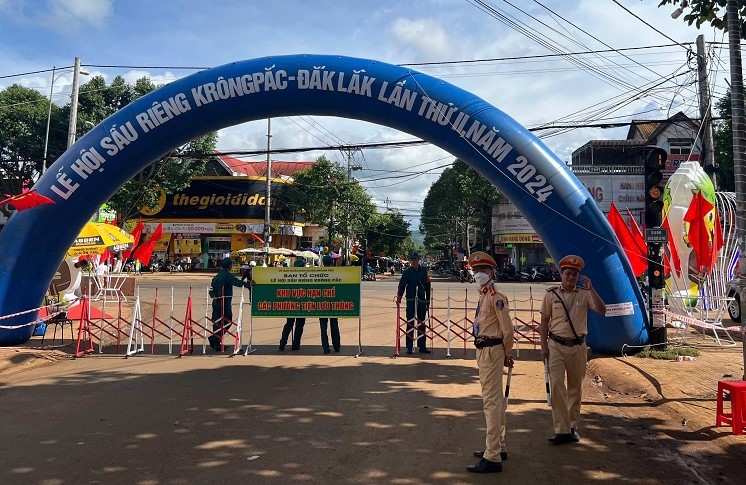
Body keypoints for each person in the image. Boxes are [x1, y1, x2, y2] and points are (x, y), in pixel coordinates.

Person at [539, 255, 606, 445]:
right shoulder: (551, 295)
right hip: (556, 346)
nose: (571, 277)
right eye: (568, 273)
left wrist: (592, 289)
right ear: (561, 273)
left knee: (575, 388)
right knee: (557, 385)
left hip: (578, 347)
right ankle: (561, 430)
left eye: (575, 274)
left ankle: (572, 426)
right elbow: (544, 322)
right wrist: (543, 346)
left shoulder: (585, 294)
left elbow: (603, 310)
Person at [466, 251, 514, 474]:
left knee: (491, 403)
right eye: (476, 270)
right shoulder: (483, 295)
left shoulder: (496, 297)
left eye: (483, 270)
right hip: (485, 350)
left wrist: (506, 353)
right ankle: (498, 446)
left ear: (492, 273)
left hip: (492, 350)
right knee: (495, 401)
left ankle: (492, 456)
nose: (478, 274)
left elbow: (508, 330)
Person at [208, 257, 251, 352]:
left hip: (215, 303)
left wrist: (214, 296)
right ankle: (215, 339)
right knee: (228, 321)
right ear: (230, 266)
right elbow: (237, 282)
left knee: (216, 323)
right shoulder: (227, 276)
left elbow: (211, 290)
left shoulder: (216, 277)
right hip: (224, 303)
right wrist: (249, 285)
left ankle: (216, 341)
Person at [396, 251, 431, 354]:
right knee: (410, 322)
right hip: (411, 299)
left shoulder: (424, 271)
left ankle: (422, 346)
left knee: (421, 322)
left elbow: (428, 285)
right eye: (411, 259)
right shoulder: (407, 272)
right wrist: (399, 297)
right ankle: (409, 347)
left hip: (421, 299)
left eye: (415, 259)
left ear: (418, 260)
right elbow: (402, 285)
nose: (413, 261)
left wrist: (428, 299)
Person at [279, 256, 308, 351]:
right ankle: (295, 344)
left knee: (289, 324)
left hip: (290, 304)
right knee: (299, 325)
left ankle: (282, 343)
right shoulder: (306, 277)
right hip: (301, 305)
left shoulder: (288, 275)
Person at [319, 256, 341, 354]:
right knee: (334, 325)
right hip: (333, 304)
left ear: (323, 263)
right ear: (331, 262)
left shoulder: (318, 274)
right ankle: (336, 346)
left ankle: (325, 348)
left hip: (321, 305)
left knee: (323, 328)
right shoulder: (334, 273)